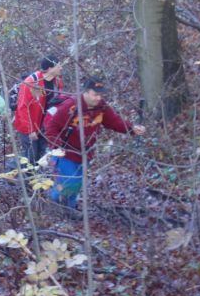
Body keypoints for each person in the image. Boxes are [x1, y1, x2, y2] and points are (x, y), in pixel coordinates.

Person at [45, 76, 146, 210]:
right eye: (95, 94)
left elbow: (114, 121)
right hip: (66, 154)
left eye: (100, 94)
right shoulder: (70, 107)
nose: (98, 98)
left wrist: (131, 128)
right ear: (86, 92)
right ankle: (54, 203)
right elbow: (51, 127)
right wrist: (57, 147)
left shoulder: (101, 106)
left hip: (85, 153)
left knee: (76, 184)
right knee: (70, 182)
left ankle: (70, 209)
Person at [12, 55, 64, 166]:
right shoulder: (31, 82)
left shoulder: (57, 82)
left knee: (43, 158)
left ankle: (40, 180)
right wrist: (30, 129)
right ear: (50, 68)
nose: (61, 68)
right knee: (30, 157)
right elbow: (22, 107)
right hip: (28, 127)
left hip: (45, 127)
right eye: (59, 65)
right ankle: (24, 180)